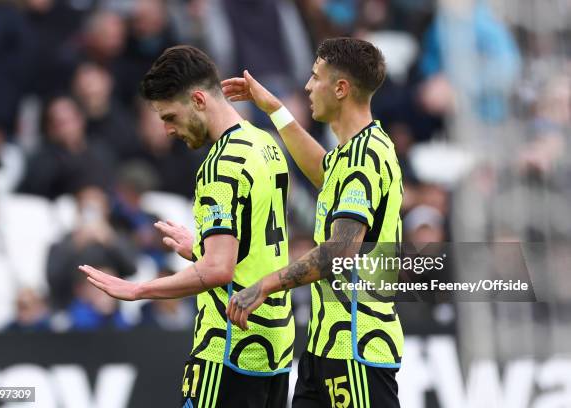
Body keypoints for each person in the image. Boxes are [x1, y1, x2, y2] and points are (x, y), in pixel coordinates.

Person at [79, 45, 294, 408]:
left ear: (197, 99)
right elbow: (253, 248)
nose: (166, 130)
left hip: (228, 349)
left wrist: (139, 289)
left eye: (170, 117)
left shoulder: (219, 165)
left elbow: (217, 270)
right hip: (275, 347)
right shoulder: (264, 143)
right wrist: (203, 246)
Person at [223, 37, 403, 407]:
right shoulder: (350, 153)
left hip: (357, 347)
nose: (307, 86)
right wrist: (275, 108)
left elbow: (339, 252)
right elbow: (324, 172)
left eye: (315, 76)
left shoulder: (365, 157)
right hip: (324, 349)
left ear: (340, 88)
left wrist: (267, 285)